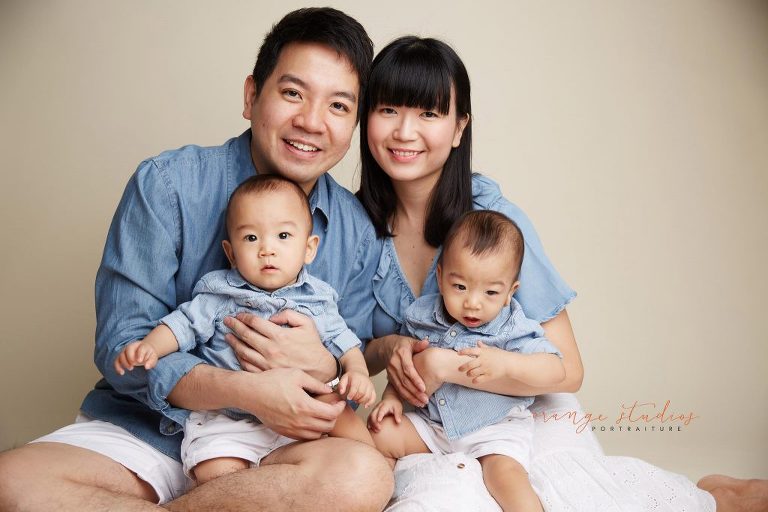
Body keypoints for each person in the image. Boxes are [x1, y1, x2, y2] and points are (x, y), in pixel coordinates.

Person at [0, 8, 392, 512]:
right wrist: (246, 390)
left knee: (361, 478)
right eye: (293, 93)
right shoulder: (168, 183)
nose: (312, 121)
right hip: (150, 431)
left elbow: (349, 360)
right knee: (10, 484)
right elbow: (124, 346)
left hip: (279, 449)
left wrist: (325, 368)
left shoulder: (355, 231)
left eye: (339, 106)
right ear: (252, 96)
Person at [357, 35, 766, 512]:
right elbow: (345, 354)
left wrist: (451, 365)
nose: (405, 132)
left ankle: (717, 495)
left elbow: (568, 371)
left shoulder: (494, 223)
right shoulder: (354, 226)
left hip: (521, 410)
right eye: (388, 110)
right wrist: (393, 353)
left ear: (458, 128)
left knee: (568, 499)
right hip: (432, 422)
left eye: (428, 114)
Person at [114, 174, 376, 484]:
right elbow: (181, 325)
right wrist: (150, 347)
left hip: (303, 410)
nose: (267, 249)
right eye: (251, 238)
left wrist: (356, 373)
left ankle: (383, 476)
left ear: (309, 248)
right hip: (229, 415)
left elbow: (346, 344)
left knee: (352, 434)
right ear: (231, 253)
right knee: (217, 472)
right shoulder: (220, 294)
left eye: (283, 236)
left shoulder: (318, 298)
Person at [369, 210, 564, 511]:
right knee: (378, 434)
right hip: (432, 425)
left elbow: (556, 370)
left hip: (493, 428)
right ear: (441, 276)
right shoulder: (421, 316)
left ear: (510, 292)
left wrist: (507, 363)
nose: (473, 302)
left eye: (490, 292)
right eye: (459, 286)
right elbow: (406, 367)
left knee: (506, 476)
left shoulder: (512, 327)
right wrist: (392, 397)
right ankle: (370, 495)